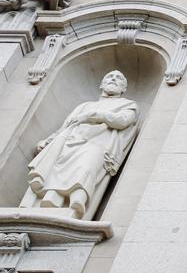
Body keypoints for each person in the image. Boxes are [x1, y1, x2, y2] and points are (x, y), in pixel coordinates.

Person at [25, 70, 139, 219]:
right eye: (109, 77)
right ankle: (52, 200)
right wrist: (48, 141)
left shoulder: (129, 105)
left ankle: (77, 205)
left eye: (119, 78)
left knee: (87, 167)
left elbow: (123, 120)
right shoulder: (84, 106)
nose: (113, 79)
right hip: (70, 141)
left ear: (123, 89)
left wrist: (93, 116)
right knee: (57, 169)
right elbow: (65, 126)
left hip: (99, 143)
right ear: (101, 84)